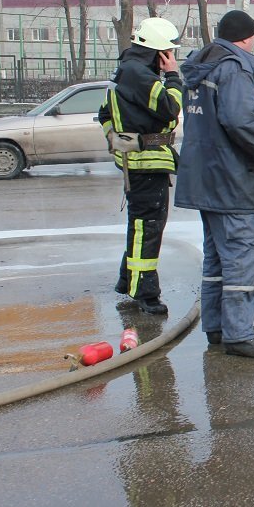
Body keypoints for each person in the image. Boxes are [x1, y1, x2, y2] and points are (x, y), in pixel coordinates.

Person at [174, 10, 254, 358]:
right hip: (231, 181)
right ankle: (239, 334)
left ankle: (218, 326)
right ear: (246, 37)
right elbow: (241, 122)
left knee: (216, 259)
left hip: (205, 178)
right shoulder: (234, 68)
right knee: (242, 256)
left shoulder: (201, 67)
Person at [98, 17, 183, 316]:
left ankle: (127, 280)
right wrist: (173, 77)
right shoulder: (139, 75)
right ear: (158, 51)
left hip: (140, 163)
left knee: (140, 226)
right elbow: (171, 108)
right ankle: (144, 293)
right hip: (146, 164)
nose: (171, 58)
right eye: (169, 53)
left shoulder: (127, 70)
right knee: (148, 227)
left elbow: (104, 113)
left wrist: (117, 139)